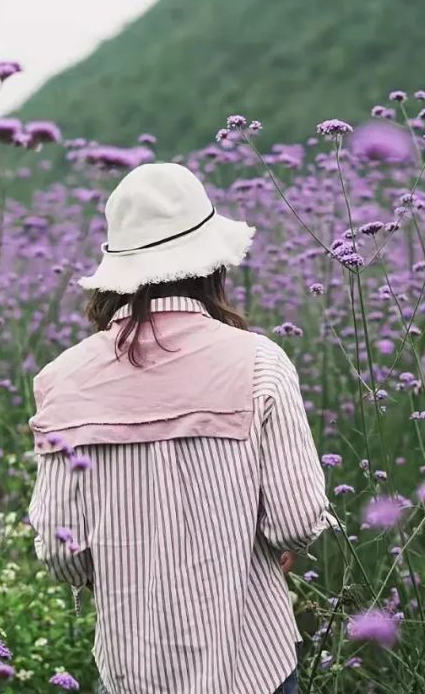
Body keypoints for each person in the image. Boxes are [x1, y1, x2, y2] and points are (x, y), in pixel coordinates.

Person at [28, 162, 333, 694]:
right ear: (212, 265)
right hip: (250, 664)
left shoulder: (63, 379)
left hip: (131, 671)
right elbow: (296, 519)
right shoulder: (260, 362)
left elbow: (62, 551)